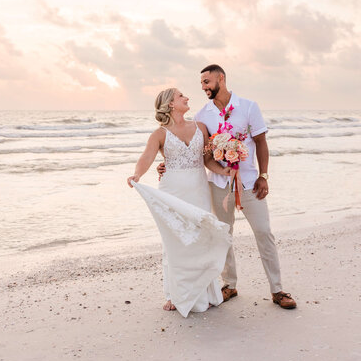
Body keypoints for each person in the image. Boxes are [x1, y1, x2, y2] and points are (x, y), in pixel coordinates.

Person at [157, 65, 297, 310]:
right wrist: (166, 165)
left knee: (264, 232)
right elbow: (196, 152)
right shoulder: (202, 116)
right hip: (219, 185)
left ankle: (277, 290)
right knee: (224, 235)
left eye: (207, 81)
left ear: (221, 78)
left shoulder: (249, 107)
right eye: (201, 83)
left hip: (250, 184)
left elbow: (261, 143)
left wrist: (264, 175)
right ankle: (229, 284)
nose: (203, 87)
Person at [127, 87, 231, 317]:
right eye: (180, 96)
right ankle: (175, 294)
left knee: (200, 236)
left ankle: (206, 291)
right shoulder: (159, 134)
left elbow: (207, 160)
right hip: (172, 190)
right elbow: (147, 157)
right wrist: (137, 176)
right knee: (174, 239)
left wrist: (225, 171)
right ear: (171, 104)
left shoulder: (200, 128)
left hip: (198, 188)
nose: (186, 97)